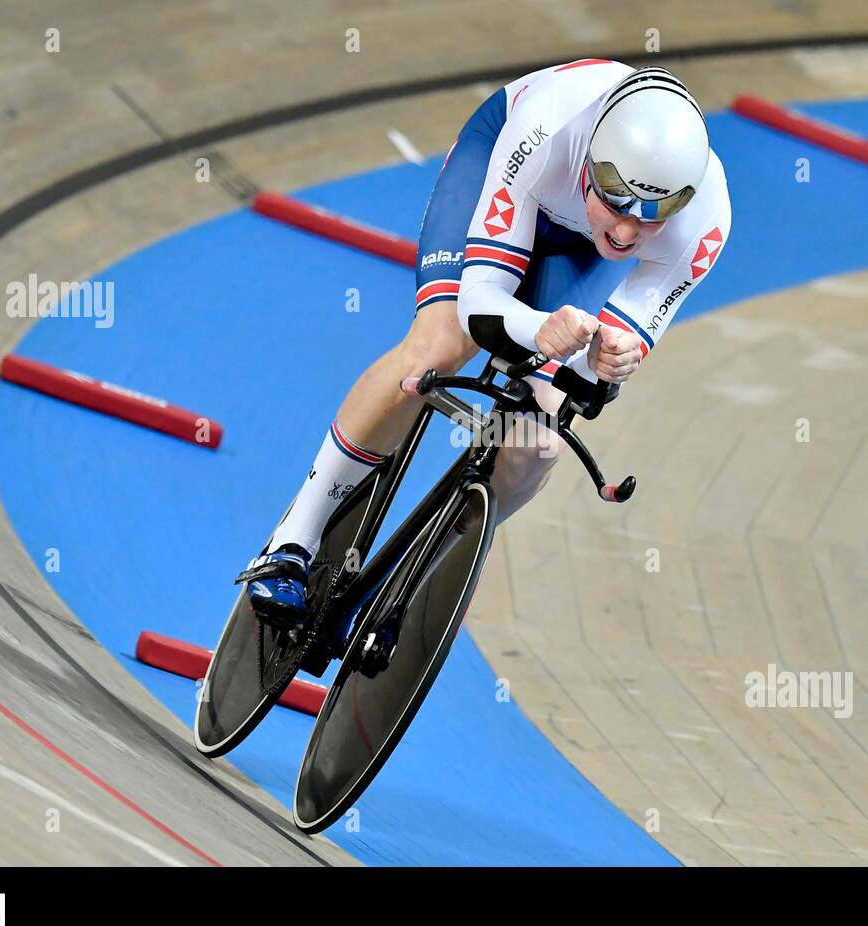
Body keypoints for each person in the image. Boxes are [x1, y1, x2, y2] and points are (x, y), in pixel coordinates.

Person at [243, 60, 732, 626]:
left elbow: (599, 376)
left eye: (650, 218)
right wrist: (538, 331)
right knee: (438, 349)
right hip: (503, 167)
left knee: (537, 442)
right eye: (616, 202)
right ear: (593, 161)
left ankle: (426, 579)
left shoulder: (705, 220)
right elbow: (481, 305)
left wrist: (608, 363)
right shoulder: (548, 129)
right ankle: (293, 540)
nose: (626, 233)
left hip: (578, 251)